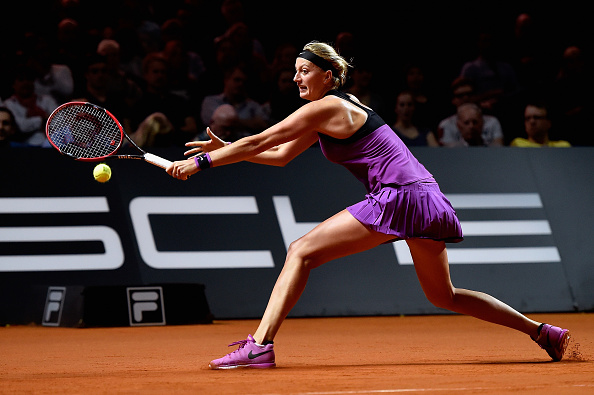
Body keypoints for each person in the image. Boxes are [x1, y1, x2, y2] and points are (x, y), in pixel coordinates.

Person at [166, 41, 570, 369]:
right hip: (424, 195)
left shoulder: (326, 106)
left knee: (300, 251)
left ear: (328, 75)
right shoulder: (335, 108)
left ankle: (259, 345)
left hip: (396, 196)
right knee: (443, 296)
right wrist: (227, 150)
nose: (296, 77)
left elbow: (257, 141)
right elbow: (278, 155)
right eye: (294, 71)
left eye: (304, 70)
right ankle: (542, 332)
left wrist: (200, 163)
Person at [200, 64, 269, 138]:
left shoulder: (252, 105)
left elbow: (264, 125)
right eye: (237, 80)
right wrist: (250, 122)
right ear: (226, 80)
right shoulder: (211, 101)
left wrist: (229, 122)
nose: (240, 84)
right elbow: (215, 123)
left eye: (244, 82)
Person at [438, 78, 504, 147]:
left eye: (469, 94)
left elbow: (498, 149)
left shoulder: (492, 122)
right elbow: (447, 152)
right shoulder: (446, 125)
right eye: (460, 95)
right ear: (453, 100)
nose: (466, 98)